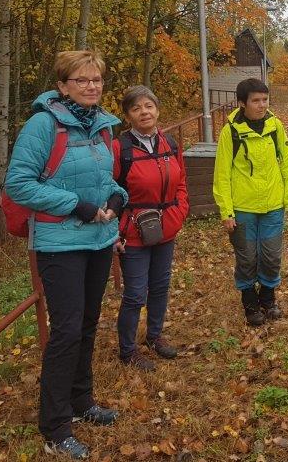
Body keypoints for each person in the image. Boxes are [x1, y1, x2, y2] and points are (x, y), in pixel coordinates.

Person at [4, 50, 127, 460]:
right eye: (82, 80)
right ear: (62, 86)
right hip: (60, 244)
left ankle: (82, 401)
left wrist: (115, 197)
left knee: (88, 324)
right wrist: (77, 205)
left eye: (97, 79)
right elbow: (19, 184)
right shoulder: (43, 125)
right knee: (67, 330)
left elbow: (106, 178)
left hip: (97, 239)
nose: (92, 86)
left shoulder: (104, 127)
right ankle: (55, 427)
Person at [113, 86, 189, 371]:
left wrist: (179, 213)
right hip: (132, 233)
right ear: (128, 115)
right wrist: (117, 230)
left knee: (160, 286)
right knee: (134, 293)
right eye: (136, 108)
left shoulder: (169, 143)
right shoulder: (120, 149)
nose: (144, 112)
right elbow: (112, 191)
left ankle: (154, 336)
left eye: (149, 106)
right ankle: (127, 349)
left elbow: (181, 183)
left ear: (157, 110)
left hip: (166, 229)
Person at [212, 78, 288, 326]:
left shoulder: (275, 126)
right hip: (243, 208)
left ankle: (268, 299)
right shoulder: (231, 132)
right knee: (247, 257)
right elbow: (222, 174)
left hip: (272, 206)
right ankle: (250, 302)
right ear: (242, 103)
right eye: (256, 101)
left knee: (271, 256)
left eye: (265, 100)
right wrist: (226, 211)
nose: (261, 105)